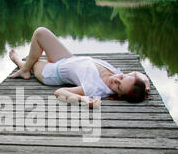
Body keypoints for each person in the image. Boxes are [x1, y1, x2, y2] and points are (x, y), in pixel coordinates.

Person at [9, 27, 150, 108]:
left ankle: (23, 67)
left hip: (53, 73)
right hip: (67, 59)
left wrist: (83, 100)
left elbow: (59, 92)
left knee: (33, 61)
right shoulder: (119, 76)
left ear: (119, 95)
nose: (116, 80)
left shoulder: (95, 88)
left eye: (118, 86)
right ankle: (26, 68)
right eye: (121, 77)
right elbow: (137, 73)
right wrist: (146, 82)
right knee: (40, 32)